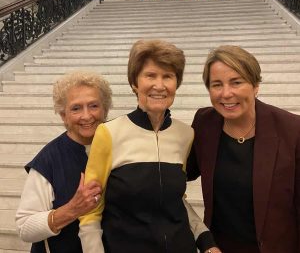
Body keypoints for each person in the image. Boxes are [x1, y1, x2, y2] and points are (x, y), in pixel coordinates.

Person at [78, 39, 221, 253]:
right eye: (150, 75)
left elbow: (177, 201)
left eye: (168, 76)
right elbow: (90, 211)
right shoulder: (108, 133)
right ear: (135, 82)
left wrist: (206, 241)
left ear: (176, 83)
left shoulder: (186, 134)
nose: (159, 85)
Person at [187, 45, 300, 253]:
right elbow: (178, 172)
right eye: (216, 84)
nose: (226, 93)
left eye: (236, 82)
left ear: (255, 85)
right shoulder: (204, 123)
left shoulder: (292, 130)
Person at [15, 71, 112, 253]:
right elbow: (24, 227)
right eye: (76, 108)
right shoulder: (49, 159)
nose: (86, 116)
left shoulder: (119, 144)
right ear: (63, 115)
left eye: (93, 106)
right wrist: (72, 209)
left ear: (105, 109)